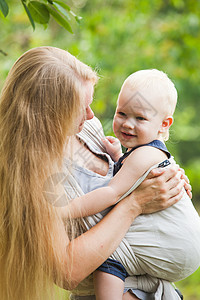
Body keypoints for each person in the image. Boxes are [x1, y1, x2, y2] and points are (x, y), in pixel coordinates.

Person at [0, 47, 190, 300]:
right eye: (81, 107)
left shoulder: (86, 129)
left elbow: (126, 172)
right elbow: (67, 270)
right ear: (48, 115)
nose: (91, 116)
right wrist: (135, 204)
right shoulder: (30, 177)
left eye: (90, 104)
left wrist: (167, 179)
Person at [66, 69, 200, 300]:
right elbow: (132, 178)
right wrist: (118, 156)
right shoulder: (141, 153)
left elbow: (112, 192)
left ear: (163, 124)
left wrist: (65, 210)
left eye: (140, 118)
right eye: (122, 113)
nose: (128, 124)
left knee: (107, 254)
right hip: (184, 247)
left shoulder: (144, 154)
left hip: (179, 246)